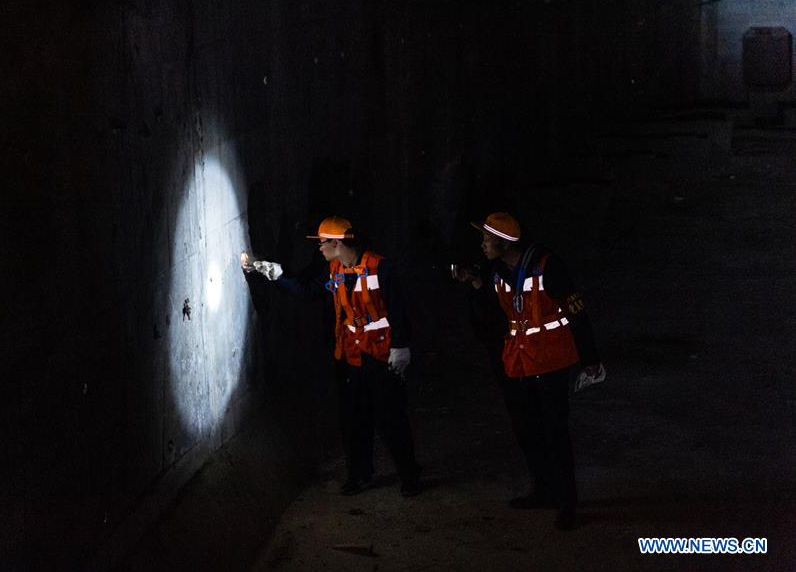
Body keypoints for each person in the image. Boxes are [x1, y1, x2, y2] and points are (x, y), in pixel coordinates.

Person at [246, 215, 421, 497]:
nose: (319, 248)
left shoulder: (380, 267)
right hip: (350, 356)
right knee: (353, 419)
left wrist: (401, 346)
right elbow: (309, 291)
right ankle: (359, 474)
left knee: (391, 418)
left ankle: (409, 475)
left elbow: (399, 309)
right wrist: (274, 273)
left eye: (323, 243)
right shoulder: (334, 269)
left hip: (381, 356)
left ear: (338, 243)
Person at [453, 212, 603, 530]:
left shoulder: (550, 266)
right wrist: (477, 288)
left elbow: (577, 313)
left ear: (506, 242)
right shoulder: (496, 271)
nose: (482, 244)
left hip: (550, 363)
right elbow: (489, 323)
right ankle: (543, 490)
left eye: (487, 238)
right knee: (526, 429)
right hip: (519, 362)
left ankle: (566, 503)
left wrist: (590, 360)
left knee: (555, 432)